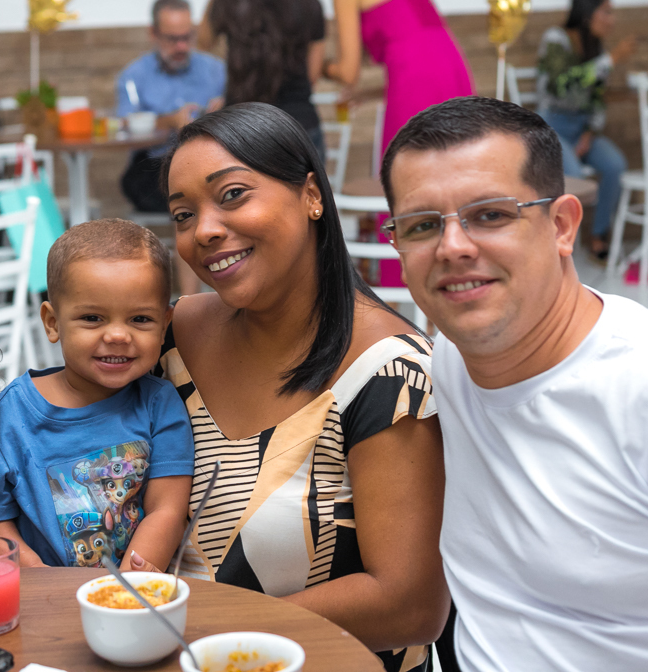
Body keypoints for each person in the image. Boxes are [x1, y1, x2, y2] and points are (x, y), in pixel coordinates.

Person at [381, 96, 648, 671]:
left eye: (491, 214)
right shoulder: (448, 366)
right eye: (422, 226)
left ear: (561, 226)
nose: (454, 247)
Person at [147, 103, 447, 672]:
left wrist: (202, 630)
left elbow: (411, 604)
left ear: (312, 196)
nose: (204, 230)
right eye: (183, 215)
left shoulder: (390, 372)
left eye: (232, 194)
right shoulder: (170, 338)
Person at [0, 219, 193, 571]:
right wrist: (42, 583)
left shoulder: (159, 405)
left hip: (134, 599)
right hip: (39, 603)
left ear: (165, 324)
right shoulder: (5, 421)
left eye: (140, 319)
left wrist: (129, 587)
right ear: (52, 323)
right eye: (93, 318)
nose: (117, 335)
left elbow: (166, 510)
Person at [323, 0, 475, 291]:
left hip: (414, 77)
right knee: (455, 183)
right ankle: (460, 278)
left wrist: (319, 66)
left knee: (404, 187)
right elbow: (420, 45)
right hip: (452, 68)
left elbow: (348, 71)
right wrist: (374, 92)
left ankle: (407, 294)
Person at [116, 0, 225, 296]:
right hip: (152, 167)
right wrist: (168, 122)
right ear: (153, 34)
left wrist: (224, 111)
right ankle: (193, 304)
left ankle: (209, 300)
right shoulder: (133, 76)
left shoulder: (215, 70)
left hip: (209, 165)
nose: (181, 46)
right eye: (172, 38)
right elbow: (124, 126)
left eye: (186, 36)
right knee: (191, 200)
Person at [537, 0, 635, 261]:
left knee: (615, 165)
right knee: (576, 176)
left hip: (581, 128)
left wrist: (590, 132)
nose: (611, 20)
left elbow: (596, 99)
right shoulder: (555, 39)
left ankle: (597, 235)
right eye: (606, 12)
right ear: (587, 13)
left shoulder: (596, 48)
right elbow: (560, 85)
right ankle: (563, 248)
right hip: (552, 127)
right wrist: (611, 60)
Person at [202, 0, 328, 160]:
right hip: (298, 124)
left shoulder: (228, 3)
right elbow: (313, 73)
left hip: (240, 126)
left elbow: (204, 41)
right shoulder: (310, 4)